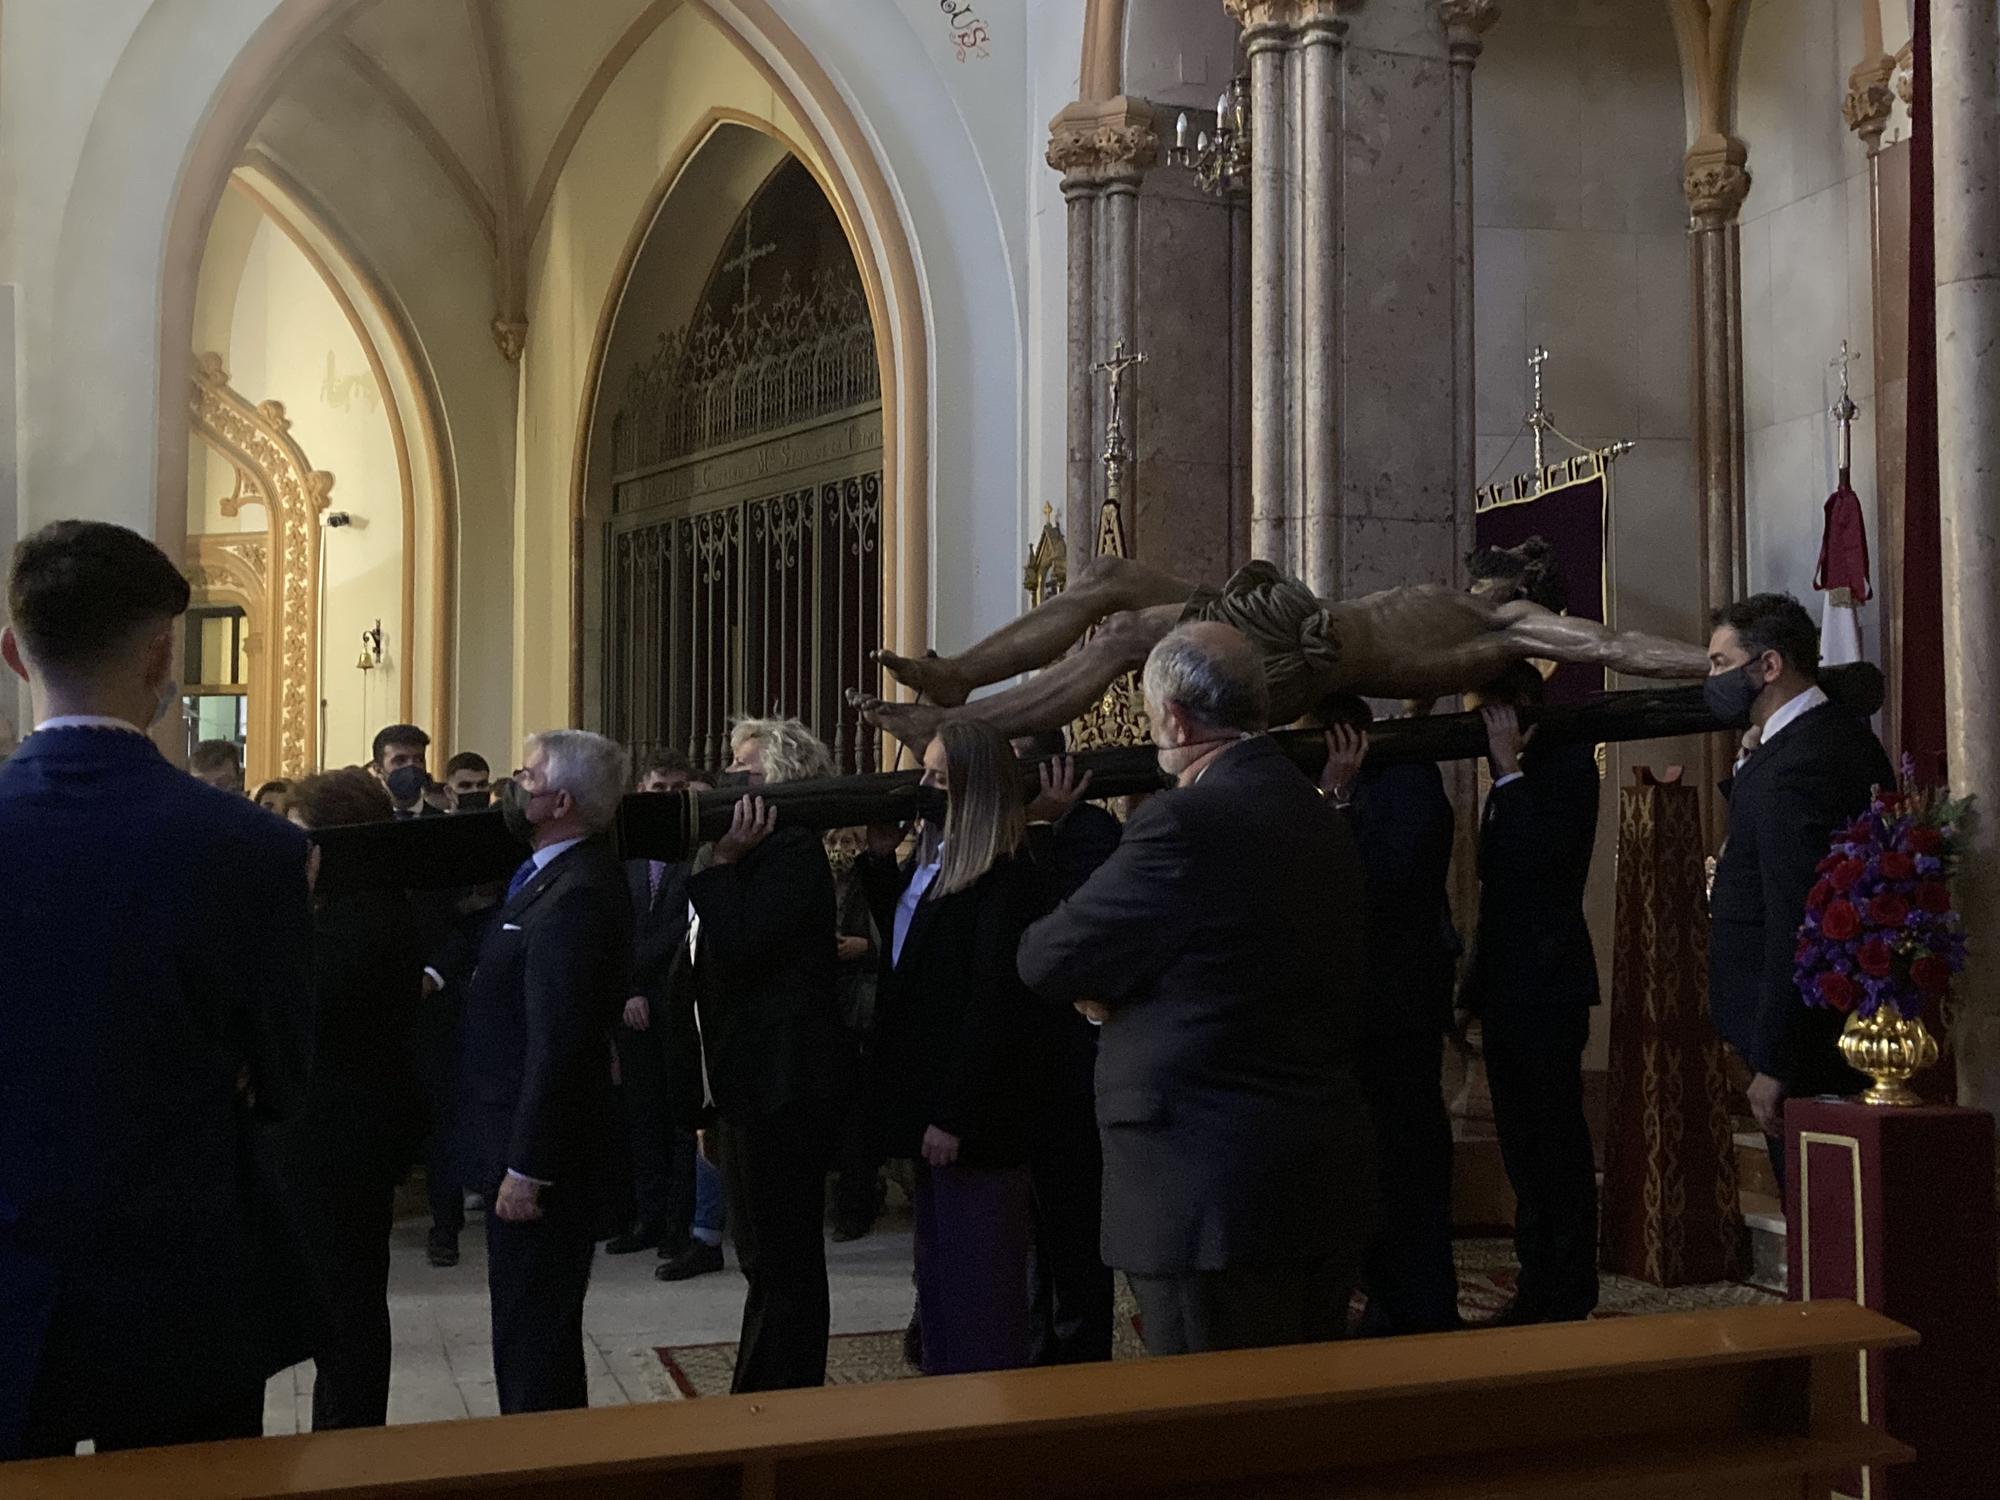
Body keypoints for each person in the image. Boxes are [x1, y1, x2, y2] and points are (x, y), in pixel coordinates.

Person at [0, 520, 314, 1459]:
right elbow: (285, 1080)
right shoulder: (252, 850)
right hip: (186, 1287)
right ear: (162, 654)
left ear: (15, 654)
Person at [1018, 622, 1376, 1356]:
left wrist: (1111, 992)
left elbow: (1047, 957)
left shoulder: (1186, 821)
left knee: (1213, 1430)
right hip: (1312, 1174)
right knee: (1301, 1415)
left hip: (1204, 1189)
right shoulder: (1317, 809)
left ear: (1174, 719)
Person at [852, 540, 1711, 747]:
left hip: (1296, 655)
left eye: (1501, 573)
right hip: (1293, 616)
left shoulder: (1509, 627)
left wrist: (1715, 661)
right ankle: (959, 678)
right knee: (1113, 576)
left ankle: (965, 732)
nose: (1484, 576)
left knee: (1120, 638)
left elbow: (1615, 643)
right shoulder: (1462, 615)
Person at [861, 721, 1051, 1374]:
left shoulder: (1007, 876)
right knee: (936, 1276)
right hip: (930, 1102)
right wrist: (883, 867)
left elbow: (991, 1006)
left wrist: (954, 1112)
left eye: (937, 779)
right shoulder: (938, 862)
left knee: (980, 1289)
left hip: (976, 1119)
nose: (923, 789)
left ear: (974, 789)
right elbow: (913, 967)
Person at [456, 730, 633, 1413]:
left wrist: (528, 1166)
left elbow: (560, 1044)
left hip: (544, 1157)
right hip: (514, 1132)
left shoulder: (579, 891)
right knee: (525, 1329)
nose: (515, 786)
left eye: (527, 778)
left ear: (560, 801)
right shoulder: (544, 875)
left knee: (535, 1339)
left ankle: (544, 1463)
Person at [682, 717, 845, 1392]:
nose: (728, 782)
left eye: (743, 773)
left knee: (782, 1256)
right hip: (744, 1080)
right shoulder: (756, 858)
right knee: (760, 1255)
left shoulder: (793, 854)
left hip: (783, 1084)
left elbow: (746, 946)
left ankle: (779, 1393)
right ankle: (761, 1389)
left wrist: (720, 867)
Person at [1707, 594, 1891, 1177]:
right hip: (1811, 1033)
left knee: (1822, 1215)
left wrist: (1778, 1061)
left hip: (1806, 1049)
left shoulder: (1801, 761)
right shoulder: (1816, 739)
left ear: (1769, 666)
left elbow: (1797, 914)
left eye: (1719, 663)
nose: (1712, 679)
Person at [282, 768, 426, 1430]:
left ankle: (351, 1442)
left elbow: (303, 999)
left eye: (303, 835)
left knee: (348, 1307)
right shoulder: (360, 907)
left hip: (343, 1138)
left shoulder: (364, 919)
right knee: (344, 1300)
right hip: (338, 1133)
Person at [1458, 663, 1601, 1325]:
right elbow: (1497, 896)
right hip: (1510, 986)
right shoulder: (1511, 773)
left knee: (1555, 1148)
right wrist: (1474, 986)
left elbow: (1542, 861)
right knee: (1522, 1147)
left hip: (1548, 986)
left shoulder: (1568, 766)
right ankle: (1537, 1283)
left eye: (1484, 711)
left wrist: (1507, 769)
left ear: (1514, 708)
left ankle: (1564, 1288)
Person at [1317, 694, 1462, 1336]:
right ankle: (1385, 1299)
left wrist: (1337, 804)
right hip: (1362, 1016)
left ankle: (1415, 1311)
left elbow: (1372, 887)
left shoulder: (1406, 779)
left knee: (1405, 1169)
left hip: (1396, 1013)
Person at [1015, 733, 1121, 1365]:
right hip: (1032, 1058)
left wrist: (1043, 830)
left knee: (1074, 1224)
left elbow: (1065, 927)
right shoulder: (1025, 830)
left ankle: (1079, 1353)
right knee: (1036, 1228)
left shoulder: (1090, 834)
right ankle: (1039, 1346)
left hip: (1073, 1056)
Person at [606, 750, 701, 1258]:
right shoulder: (625, 854)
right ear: (641, 790)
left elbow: (679, 932)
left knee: (679, 1118)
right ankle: (646, 1217)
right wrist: (626, 990)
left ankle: (677, 1224)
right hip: (631, 1005)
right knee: (639, 1118)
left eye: (676, 789)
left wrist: (648, 985)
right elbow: (613, 927)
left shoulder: (695, 851)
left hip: (676, 1002)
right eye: (658, 788)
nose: (666, 798)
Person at [826, 826, 884, 1243]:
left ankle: (856, 1205)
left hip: (863, 1007)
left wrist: (866, 947)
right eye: (835, 841)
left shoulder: (871, 879)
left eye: (850, 841)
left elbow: (894, 933)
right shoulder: (816, 878)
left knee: (858, 1120)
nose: (842, 850)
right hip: (827, 1008)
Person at [371, 723, 437, 818]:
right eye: (400, 760)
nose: (411, 765)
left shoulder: (442, 821)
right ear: (378, 770)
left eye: (418, 759)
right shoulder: (366, 821)